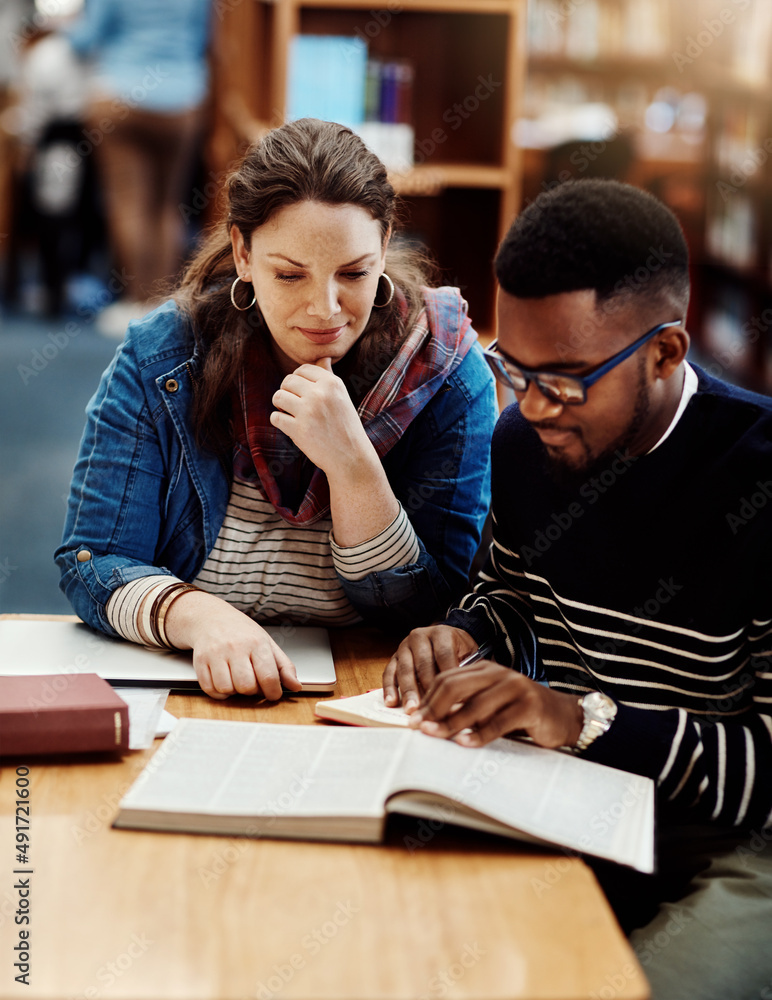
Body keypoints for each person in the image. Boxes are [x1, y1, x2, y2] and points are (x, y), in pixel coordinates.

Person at [383, 180, 772, 999]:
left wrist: (579, 716)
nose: (531, 404)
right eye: (512, 368)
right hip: (574, 799)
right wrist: (465, 632)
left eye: (563, 378)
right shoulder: (528, 442)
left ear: (667, 352)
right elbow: (509, 594)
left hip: (734, 847)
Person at [56, 117, 496, 701]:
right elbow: (92, 559)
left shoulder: (448, 373)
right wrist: (200, 617)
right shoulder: (163, 357)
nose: (325, 309)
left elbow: (443, 613)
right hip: (191, 683)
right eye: (290, 275)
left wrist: (354, 468)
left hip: (364, 693)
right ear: (243, 252)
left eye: (355, 272)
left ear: (386, 246)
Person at [63, 0, 212, 335]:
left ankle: (135, 303)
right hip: (183, 99)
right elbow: (204, 37)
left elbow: (85, 39)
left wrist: (68, 26)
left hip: (121, 92)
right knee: (168, 204)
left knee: (129, 203)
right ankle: (161, 307)